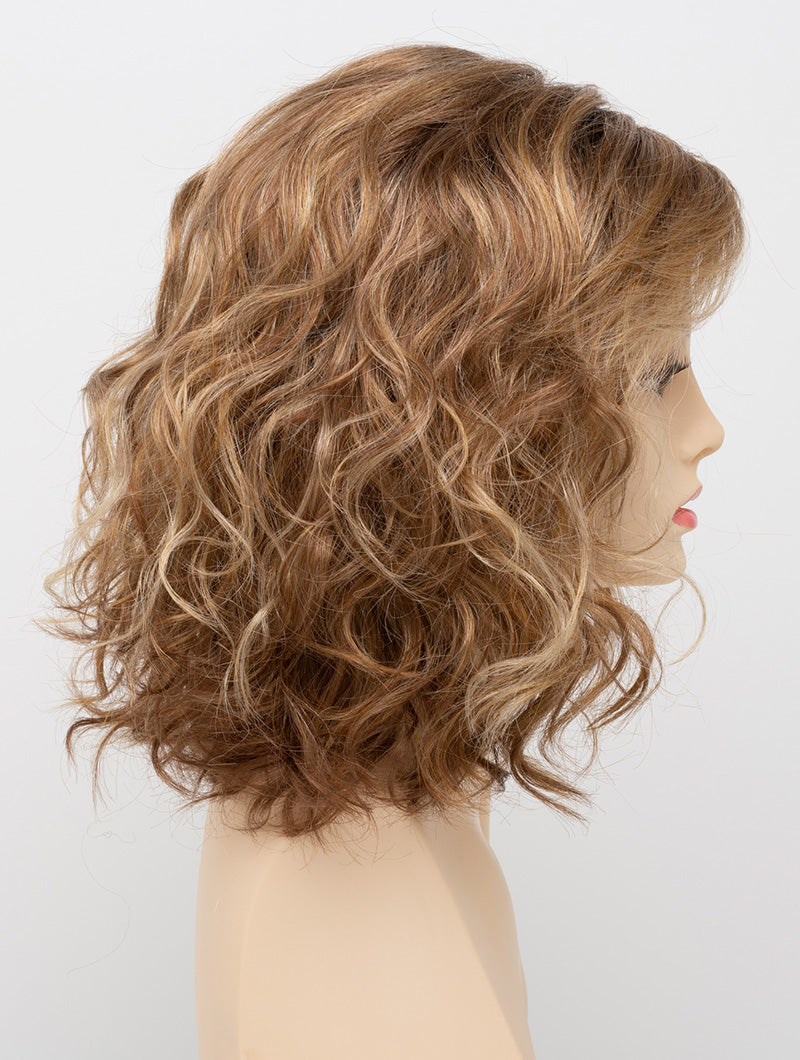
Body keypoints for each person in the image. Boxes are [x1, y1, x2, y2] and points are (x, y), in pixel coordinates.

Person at [37, 43, 746, 1059]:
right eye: (657, 374)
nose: (706, 427)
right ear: (470, 425)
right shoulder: (365, 913)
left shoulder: (392, 803)